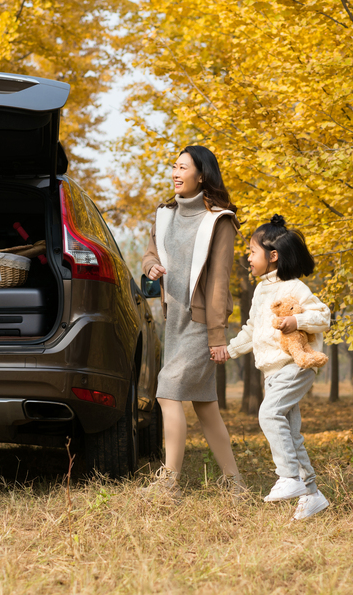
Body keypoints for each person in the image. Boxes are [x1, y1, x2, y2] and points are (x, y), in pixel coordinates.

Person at [141, 146, 247, 501]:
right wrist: (150, 266)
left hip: (201, 324)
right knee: (206, 407)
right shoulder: (164, 215)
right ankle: (235, 485)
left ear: (201, 175)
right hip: (173, 321)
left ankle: (168, 484)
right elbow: (151, 252)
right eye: (174, 166)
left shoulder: (220, 220)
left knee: (167, 392)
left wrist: (218, 336)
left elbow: (219, 281)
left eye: (182, 167)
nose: (175, 172)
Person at [226, 215, 332, 521]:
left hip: (295, 364)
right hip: (272, 372)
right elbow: (251, 329)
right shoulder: (261, 291)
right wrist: (228, 349)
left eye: (251, 251)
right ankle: (312, 494)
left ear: (273, 256)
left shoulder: (294, 287)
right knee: (291, 434)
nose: (247, 257)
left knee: (269, 414)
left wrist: (296, 321)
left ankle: (289, 477)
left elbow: (323, 315)